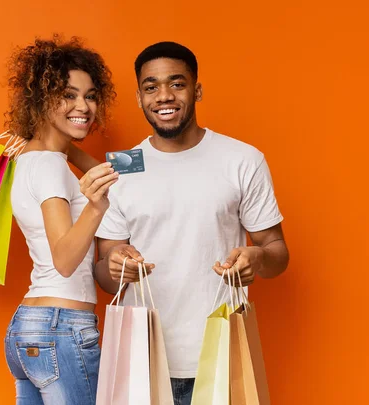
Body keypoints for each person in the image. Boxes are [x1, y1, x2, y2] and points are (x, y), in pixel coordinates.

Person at [93, 41, 290, 405]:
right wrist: (117, 264)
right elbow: (105, 277)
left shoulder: (242, 159)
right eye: (151, 87)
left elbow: (277, 252)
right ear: (139, 97)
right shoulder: (121, 167)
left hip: (220, 356)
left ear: (196, 89)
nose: (164, 96)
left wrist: (257, 258)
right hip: (143, 359)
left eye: (177, 83)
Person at [2, 35, 117, 405]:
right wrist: (95, 209)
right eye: (67, 95)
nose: (83, 105)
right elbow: (65, 259)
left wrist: (68, 142)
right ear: (41, 100)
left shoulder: (30, 159)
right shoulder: (51, 166)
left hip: (29, 330)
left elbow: (97, 172)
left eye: (90, 95)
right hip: (62, 328)